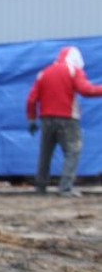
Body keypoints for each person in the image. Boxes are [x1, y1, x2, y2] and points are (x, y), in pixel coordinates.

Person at [26, 46, 102, 197]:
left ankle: (41, 187)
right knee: (72, 151)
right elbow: (86, 90)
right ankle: (65, 188)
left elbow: (31, 100)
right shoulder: (73, 71)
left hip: (46, 119)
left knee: (45, 153)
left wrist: (32, 119)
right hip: (68, 119)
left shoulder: (44, 73)